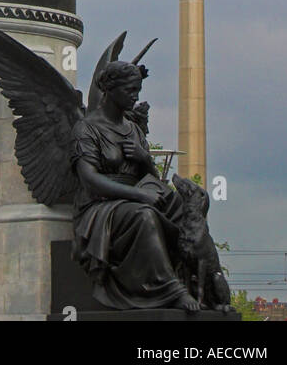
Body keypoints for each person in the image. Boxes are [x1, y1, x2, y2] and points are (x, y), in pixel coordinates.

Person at [70, 61, 196, 311]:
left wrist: (146, 159)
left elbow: (152, 179)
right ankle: (169, 289)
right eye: (130, 90)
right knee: (144, 216)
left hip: (135, 198)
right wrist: (138, 195)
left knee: (185, 209)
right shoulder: (87, 128)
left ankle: (199, 284)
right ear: (110, 89)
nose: (135, 96)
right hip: (100, 208)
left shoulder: (134, 131)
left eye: (138, 90)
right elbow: (89, 180)